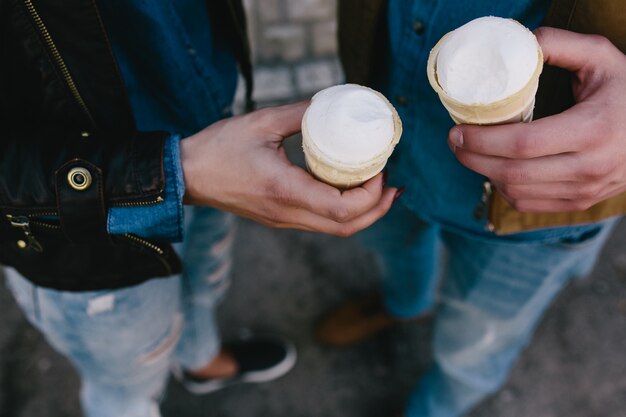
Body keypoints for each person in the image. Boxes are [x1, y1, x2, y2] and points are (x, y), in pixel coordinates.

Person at [1, 1, 400, 417]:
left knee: (203, 281)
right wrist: (176, 173)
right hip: (84, 229)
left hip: (211, 124)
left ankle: (200, 361)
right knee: (128, 385)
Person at [316, 1, 626, 416]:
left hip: (547, 188)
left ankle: (435, 409)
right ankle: (403, 303)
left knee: (473, 346)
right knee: (393, 248)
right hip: (385, 118)